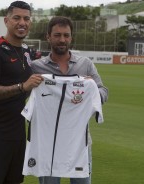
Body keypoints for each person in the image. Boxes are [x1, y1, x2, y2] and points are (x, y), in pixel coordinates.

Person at [30, 16, 108, 184]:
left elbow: (103, 91)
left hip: (79, 142)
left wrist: (91, 90)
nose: (62, 40)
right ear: (48, 37)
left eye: (66, 35)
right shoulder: (36, 67)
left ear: (71, 37)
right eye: (57, 35)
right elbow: (19, 90)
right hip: (48, 142)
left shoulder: (84, 64)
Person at [0, 1, 43, 184]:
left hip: (18, 133)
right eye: (17, 18)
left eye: (26, 18)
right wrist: (22, 87)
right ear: (6, 20)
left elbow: (32, 86)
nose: (22, 22)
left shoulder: (27, 52)